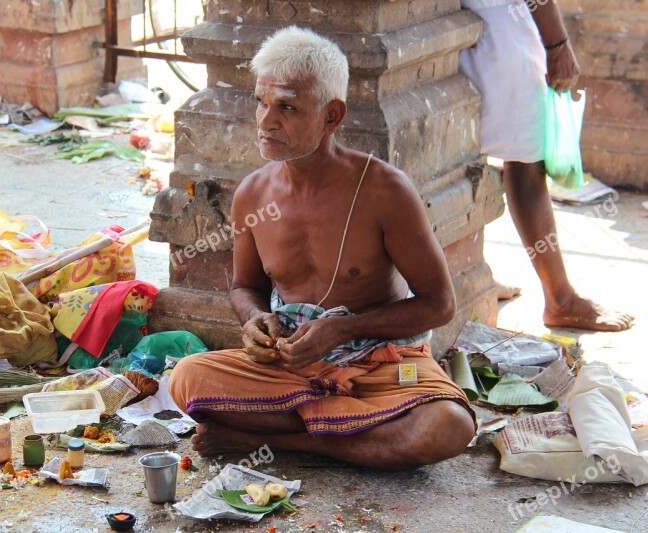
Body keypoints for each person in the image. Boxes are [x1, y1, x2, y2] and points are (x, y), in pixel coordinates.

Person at [168, 26, 476, 470]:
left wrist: (342, 330)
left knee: (449, 426)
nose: (265, 121)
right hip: (291, 367)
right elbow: (244, 287)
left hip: (382, 363)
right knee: (187, 378)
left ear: (332, 116)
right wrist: (257, 322)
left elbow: (439, 305)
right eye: (261, 102)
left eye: (287, 108)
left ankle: (293, 441)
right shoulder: (253, 195)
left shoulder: (386, 191)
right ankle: (352, 430)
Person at [458, 0, 633, 331]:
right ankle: (560, 299)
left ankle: (473, 272)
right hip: (500, 31)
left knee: (470, 149)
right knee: (526, 160)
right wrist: (557, 44)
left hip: (461, 26)